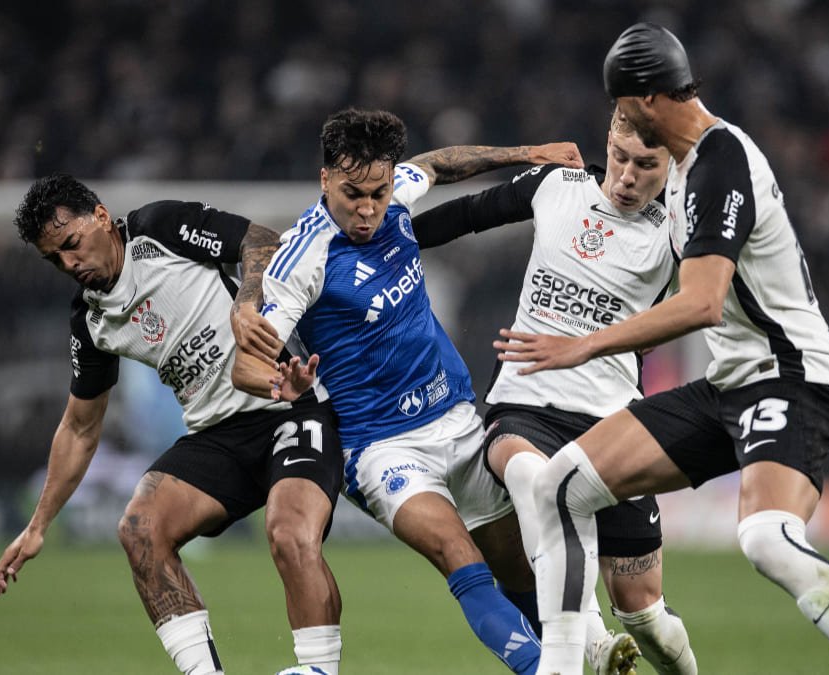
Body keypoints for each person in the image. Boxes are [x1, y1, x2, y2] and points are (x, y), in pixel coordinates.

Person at [497, 24, 829, 675]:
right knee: (558, 485)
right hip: (729, 386)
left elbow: (701, 303)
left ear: (647, 98)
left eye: (624, 105)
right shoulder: (685, 170)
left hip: (793, 378)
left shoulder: (721, 160)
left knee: (766, 539)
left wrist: (585, 345)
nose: (622, 120)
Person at [230, 108, 581, 675]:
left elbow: (438, 164)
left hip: (457, 419)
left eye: (379, 192)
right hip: (382, 448)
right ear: (325, 180)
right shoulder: (302, 257)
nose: (368, 209)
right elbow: (244, 365)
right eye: (352, 195)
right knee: (458, 556)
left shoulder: (395, 196)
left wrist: (526, 153)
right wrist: (281, 383)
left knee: (518, 569)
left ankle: (563, 659)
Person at [0, 174, 346, 675]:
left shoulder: (158, 228)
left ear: (100, 216)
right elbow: (79, 429)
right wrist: (37, 527)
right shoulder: (90, 322)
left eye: (71, 243)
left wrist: (245, 304)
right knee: (140, 529)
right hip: (216, 436)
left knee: (288, 533)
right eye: (55, 259)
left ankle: (318, 670)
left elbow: (263, 242)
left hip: (288, 407)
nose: (70, 264)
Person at [413, 110, 697, 675]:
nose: (627, 176)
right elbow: (468, 215)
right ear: (607, 140)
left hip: (614, 424)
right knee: (534, 478)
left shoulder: (680, 230)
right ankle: (590, 641)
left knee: (645, 616)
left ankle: (636, 647)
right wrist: (382, 245)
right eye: (620, 157)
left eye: (646, 166)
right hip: (525, 406)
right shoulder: (557, 185)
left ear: (672, 165)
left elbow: (713, 303)